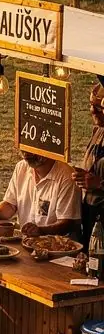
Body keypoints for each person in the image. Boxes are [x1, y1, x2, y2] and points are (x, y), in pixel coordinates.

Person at [0, 151, 81, 239]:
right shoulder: (21, 167)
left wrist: (40, 231)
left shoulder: (66, 176)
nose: (26, 154)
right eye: (24, 150)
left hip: (56, 246)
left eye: (33, 152)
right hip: (25, 241)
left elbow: (66, 223)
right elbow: (10, 205)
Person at [74, 82, 104, 248]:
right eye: (91, 105)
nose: (93, 111)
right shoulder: (97, 131)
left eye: (99, 107)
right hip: (90, 214)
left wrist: (99, 184)